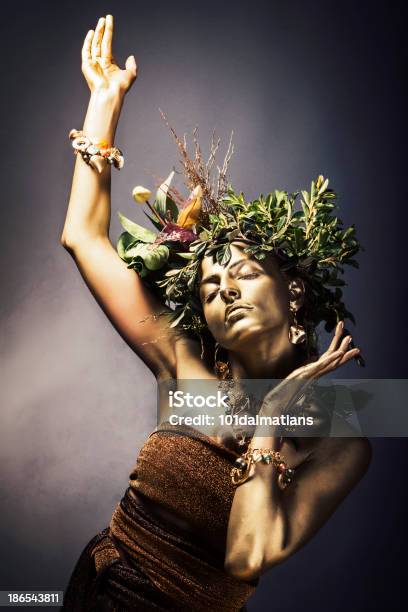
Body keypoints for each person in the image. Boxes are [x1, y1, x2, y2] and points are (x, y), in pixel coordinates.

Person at [60, 14, 371, 611]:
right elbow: (85, 238)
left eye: (245, 272)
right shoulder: (186, 366)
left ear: (295, 291)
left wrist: (269, 421)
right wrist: (103, 107)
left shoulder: (339, 440)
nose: (224, 288)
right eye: (208, 285)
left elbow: (246, 557)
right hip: (96, 592)